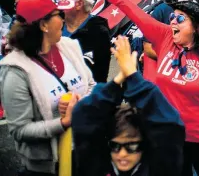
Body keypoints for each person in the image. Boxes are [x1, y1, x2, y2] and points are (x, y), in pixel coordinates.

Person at [93, 0, 199, 176]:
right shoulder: (165, 37)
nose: (173, 21)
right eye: (172, 16)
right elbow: (136, 13)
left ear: (197, 27)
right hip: (168, 135)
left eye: (180, 18)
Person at [0, 0, 96, 175]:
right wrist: (63, 123)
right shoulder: (14, 69)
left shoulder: (70, 46)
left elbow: (91, 85)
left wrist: (79, 103)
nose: (63, 17)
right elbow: (20, 130)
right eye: (58, 14)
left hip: (85, 151)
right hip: (47, 167)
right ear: (43, 25)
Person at [72, 36, 186, 176]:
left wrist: (133, 76)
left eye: (131, 146)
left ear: (145, 145)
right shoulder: (97, 166)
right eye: (115, 146)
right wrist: (117, 80)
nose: (122, 154)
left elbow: (171, 125)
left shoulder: (158, 167)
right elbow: (82, 117)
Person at [51, 0, 111, 82]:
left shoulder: (98, 32)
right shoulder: (55, 25)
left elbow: (98, 77)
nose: (57, 3)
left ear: (79, 4)